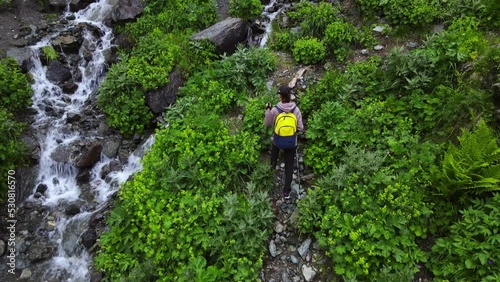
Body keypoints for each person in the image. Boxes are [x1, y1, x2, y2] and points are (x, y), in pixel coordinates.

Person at [264, 85, 304, 199]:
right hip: (291, 142)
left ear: (280, 96)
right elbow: (300, 127)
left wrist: (268, 110)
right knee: (289, 165)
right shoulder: (296, 110)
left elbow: (267, 124)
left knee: (273, 158)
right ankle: (286, 191)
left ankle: (270, 178)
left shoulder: (275, 109)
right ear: (290, 96)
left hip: (277, 140)